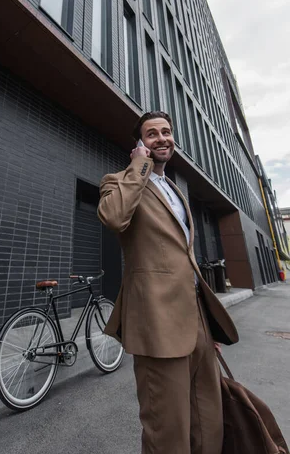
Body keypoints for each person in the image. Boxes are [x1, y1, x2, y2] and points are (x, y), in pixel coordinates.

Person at [97, 111, 239, 454]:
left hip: (196, 322)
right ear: (140, 144)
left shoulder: (175, 189)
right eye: (151, 134)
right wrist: (138, 168)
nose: (161, 138)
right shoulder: (119, 180)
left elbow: (184, 261)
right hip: (157, 324)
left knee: (209, 420)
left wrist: (204, 325)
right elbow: (114, 217)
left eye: (166, 132)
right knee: (168, 430)